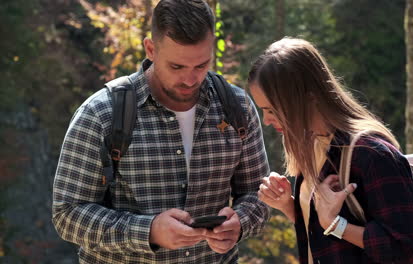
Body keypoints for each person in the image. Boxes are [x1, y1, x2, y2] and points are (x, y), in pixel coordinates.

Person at [52, 0, 270, 263]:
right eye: (176, 67)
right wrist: (149, 231)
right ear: (151, 49)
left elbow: (259, 196)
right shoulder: (101, 113)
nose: (190, 80)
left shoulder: (237, 107)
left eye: (201, 65)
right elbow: (68, 215)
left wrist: (240, 224)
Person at [248, 37, 413, 264]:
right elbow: (321, 234)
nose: (266, 120)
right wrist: (289, 205)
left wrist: (336, 224)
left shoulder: (373, 155)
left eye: (271, 109)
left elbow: (406, 250)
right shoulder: (313, 145)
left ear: (307, 97)